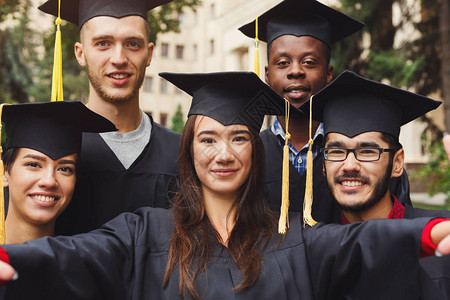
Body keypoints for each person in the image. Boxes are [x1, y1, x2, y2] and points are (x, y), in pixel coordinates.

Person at [0, 72, 449, 300]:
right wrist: (7, 257)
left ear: (255, 151)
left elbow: (359, 242)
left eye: (239, 138)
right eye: (208, 139)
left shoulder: (293, 237)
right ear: (190, 151)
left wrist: (425, 232)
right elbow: (72, 255)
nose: (224, 154)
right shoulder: (143, 233)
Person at [239, 0, 411, 222]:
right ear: (266, 75)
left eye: (309, 62)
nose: (295, 71)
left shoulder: (368, 159)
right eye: (282, 63)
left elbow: (401, 231)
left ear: (329, 74)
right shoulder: (247, 155)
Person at [38, 0, 181, 235]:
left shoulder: (181, 153)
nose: (118, 58)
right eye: (103, 43)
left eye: (133, 44)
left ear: (149, 54)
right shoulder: (53, 149)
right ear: (81, 53)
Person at [303, 70, 450, 298]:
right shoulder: (306, 251)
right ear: (323, 164)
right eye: (336, 151)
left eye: (367, 151)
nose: (349, 164)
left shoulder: (443, 236)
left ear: (397, 163)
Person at [1, 101, 116, 244]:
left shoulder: (80, 264)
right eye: (33, 164)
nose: (49, 181)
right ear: (5, 172)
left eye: (64, 169)